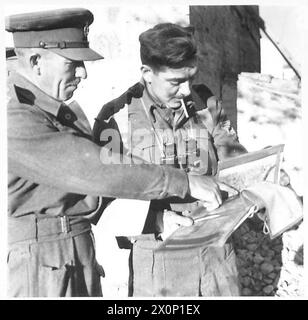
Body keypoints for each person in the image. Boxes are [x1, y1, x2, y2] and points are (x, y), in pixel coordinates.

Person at [6, 9, 225, 297]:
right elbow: (98, 171)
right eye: (73, 63)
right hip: (47, 266)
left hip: (76, 255)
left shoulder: (59, 113)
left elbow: (92, 193)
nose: (83, 72)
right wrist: (184, 183)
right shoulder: (15, 118)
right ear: (36, 61)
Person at [93, 23, 248, 296]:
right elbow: (100, 200)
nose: (186, 90)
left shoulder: (205, 104)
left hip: (217, 255)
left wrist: (258, 179)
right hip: (160, 263)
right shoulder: (115, 118)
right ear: (147, 73)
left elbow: (232, 156)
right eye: (176, 82)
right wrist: (157, 217)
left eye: (191, 78)